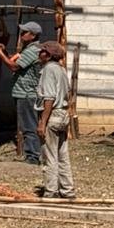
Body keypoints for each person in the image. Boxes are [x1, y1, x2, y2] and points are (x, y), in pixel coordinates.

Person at [0, 20, 43, 164]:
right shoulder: (27, 49)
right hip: (23, 93)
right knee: (27, 125)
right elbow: (16, 60)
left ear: (33, 35)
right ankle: (32, 154)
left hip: (27, 94)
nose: (21, 35)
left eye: (25, 32)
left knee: (29, 126)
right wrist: (5, 52)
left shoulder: (33, 50)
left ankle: (33, 156)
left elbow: (14, 66)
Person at [36, 41, 75, 200]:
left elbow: (49, 98)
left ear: (49, 55)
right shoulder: (61, 70)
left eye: (42, 52)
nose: (39, 54)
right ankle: (68, 190)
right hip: (63, 115)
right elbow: (68, 94)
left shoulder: (48, 70)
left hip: (52, 115)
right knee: (62, 155)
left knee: (49, 156)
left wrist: (42, 122)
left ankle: (51, 191)